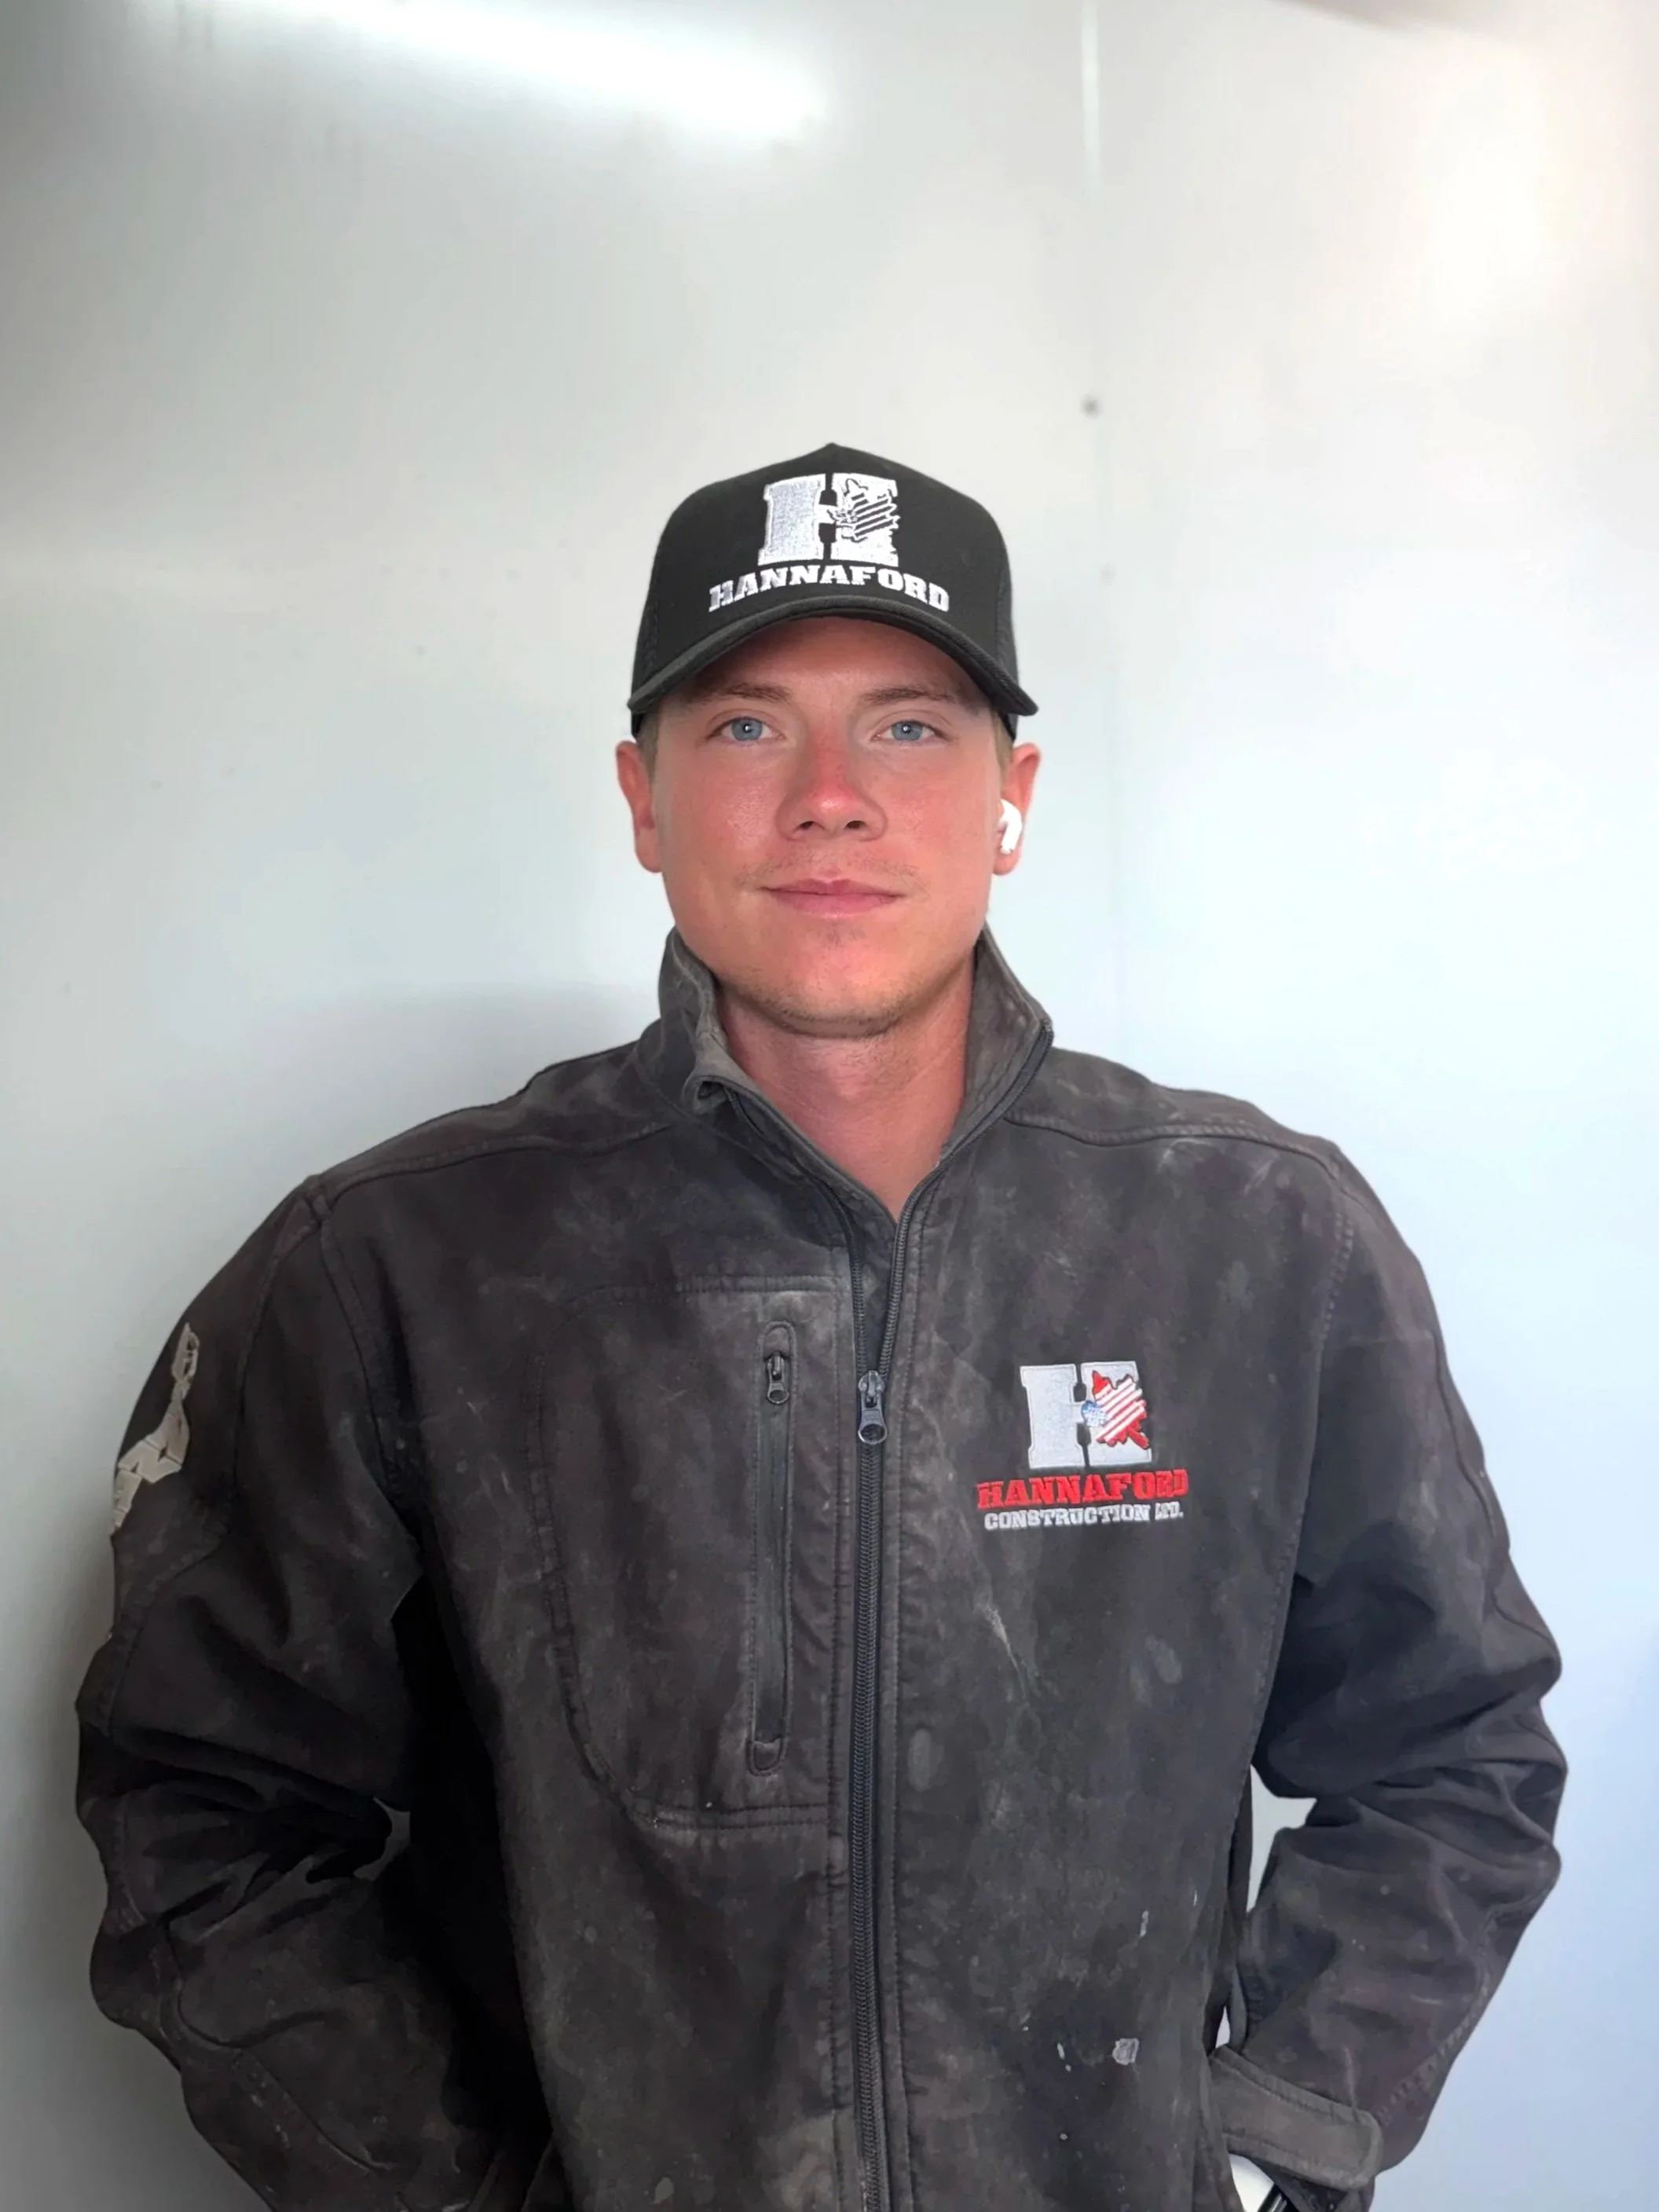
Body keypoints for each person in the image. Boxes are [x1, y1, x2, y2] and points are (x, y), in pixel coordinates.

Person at [76, 445, 1565, 2212]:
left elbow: (1455, 1749)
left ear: (1016, 793)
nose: (835, 798)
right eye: (749, 726)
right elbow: (205, 1815)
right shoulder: (396, 1265)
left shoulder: (1257, 1237)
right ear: (642, 795)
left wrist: (1274, 2137)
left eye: (915, 728)